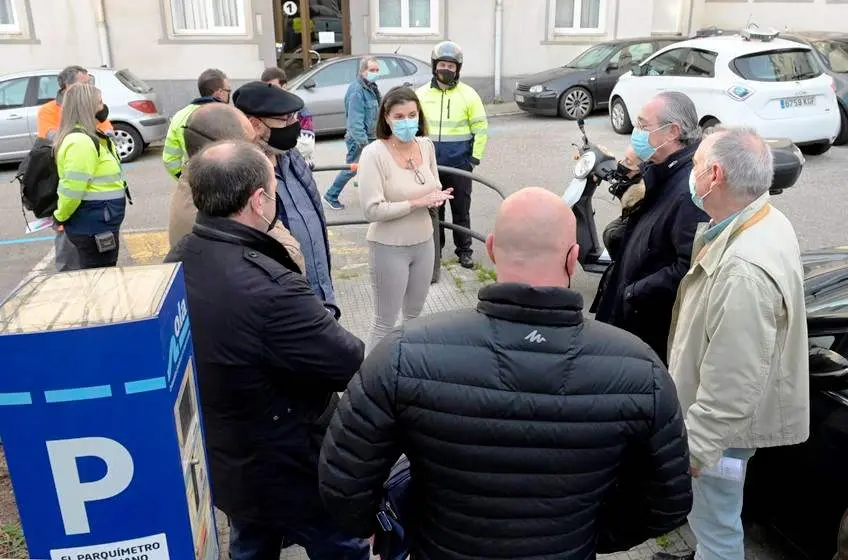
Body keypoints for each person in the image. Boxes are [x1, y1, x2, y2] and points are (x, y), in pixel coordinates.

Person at [319, 186, 692, 560]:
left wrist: (399, 525)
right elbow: (668, 498)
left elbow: (343, 480)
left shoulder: (403, 353)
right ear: (573, 257)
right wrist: (588, 535)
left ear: (492, 248)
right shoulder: (639, 369)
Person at [164, 140, 369, 560]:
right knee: (339, 545)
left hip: (228, 457)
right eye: (273, 190)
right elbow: (349, 362)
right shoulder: (272, 287)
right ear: (259, 201)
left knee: (250, 544)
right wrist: (318, 314)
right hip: (294, 465)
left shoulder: (180, 256)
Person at [656, 127, 809, 560]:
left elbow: (733, 383)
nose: (691, 172)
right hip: (728, 425)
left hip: (720, 431)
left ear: (715, 174)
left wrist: (695, 449)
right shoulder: (761, 219)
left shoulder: (744, 269)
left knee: (716, 526)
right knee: (717, 518)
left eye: (697, 163)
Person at [591, 91, 708, 362]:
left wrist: (633, 292)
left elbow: (688, 267)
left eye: (643, 125)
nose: (637, 132)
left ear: (672, 132)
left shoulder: (688, 190)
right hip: (627, 313)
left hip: (646, 329)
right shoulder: (661, 168)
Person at [357, 87, 453, 354]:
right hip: (389, 247)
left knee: (415, 317)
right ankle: (371, 381)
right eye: (399, 116)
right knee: (384, 322)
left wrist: (438, 196)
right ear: (386, 118)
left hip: (424, 242)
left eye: (412, 114)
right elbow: (372, 210)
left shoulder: (426, 145)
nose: (407, 121)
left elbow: (434, 184)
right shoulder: (374, 154)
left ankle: (407, 373)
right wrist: (416, 203)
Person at [234, 81, 339, 317]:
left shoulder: (292, 157)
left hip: (320, 295)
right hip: (283, 306)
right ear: (255, 125)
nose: (295, 126)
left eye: (295, 117)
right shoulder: (240, 174)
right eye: (285, 120)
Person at [166, 102, 305, 272]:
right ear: (224, 153)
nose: (259, 149)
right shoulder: (220, 203)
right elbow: (289, 262)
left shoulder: (200, 184)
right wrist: (266, 206)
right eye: (252, 143)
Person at [417, 41, 488, 270]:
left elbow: (481, 129)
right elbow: (415, 128)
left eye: (451, 65)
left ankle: (464, 251)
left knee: (460, 210)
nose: (446, 69)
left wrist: (473, 160)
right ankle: (435, 252)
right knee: (433, 211)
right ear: (434, 66)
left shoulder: (469, 95)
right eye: (442, 64)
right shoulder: (421, 94)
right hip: (429, 167)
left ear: (458, 68)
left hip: (459, 165)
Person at [37, 65, 114, 272]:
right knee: (70, 261)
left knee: (98, 263)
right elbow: (52, 137)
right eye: (84, 83)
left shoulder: (93, 110)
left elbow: (108, 133)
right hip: (74, 201)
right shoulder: (51, 113)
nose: (89, 87)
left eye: (90, 82)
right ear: (66, 88)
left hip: (96, 207)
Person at [52, 84, 128, 269]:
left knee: (102, 273)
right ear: (87, 106)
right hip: (93, 224)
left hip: (100, 220)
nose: (103, 108)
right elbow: (72, 188)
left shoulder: (89, 136)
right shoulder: (80, 142)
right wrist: (60, 216)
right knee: (99, 277)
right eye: (100, 103)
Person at [323, 57, 381, 210]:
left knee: (371, 167)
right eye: (372, 70)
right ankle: (331, 195)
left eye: (377, 70)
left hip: (369, 136)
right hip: (359, 139)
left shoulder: (371, 87)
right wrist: (364, 144)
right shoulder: (357, 90)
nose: (375, 73)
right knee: (351, 168)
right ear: (363, 71)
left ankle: (372, 195)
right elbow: (355, 121)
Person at [162, 68, 231, 179]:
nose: (229, 95)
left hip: (195, 181)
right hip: (226, 182)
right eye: (229, 91)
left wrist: (183, 179)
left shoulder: (179, 116)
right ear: (220, 92)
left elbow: (169, 159)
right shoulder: (229, 116)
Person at [261, 66, 316, 167]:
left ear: (284, 86)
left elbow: (307, 145)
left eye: (274, 87)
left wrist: (274, 151)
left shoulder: (300, 109)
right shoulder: (262, 110)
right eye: (266, 88)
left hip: (299, 168)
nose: (270, 92)